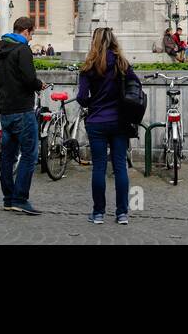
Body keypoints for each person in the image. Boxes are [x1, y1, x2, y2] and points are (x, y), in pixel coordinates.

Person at [76, 27, 140, 226]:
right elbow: (136, 87)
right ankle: (122, 214)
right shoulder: (122, 63)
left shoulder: (88, 67)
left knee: (99, 168)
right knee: (120, 167)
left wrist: (92, 105)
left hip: (97, 122)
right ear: (113, 41)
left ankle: (98, 214)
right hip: (119, 121)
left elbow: (81, 98)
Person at [0, 16, 44, 216]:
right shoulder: (22, 50)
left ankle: (8, 198)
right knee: (29, 154)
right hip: (23, 109)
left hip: (5, 109)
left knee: (8, 155)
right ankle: (20, 199)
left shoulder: (0, 50)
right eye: (31, 34)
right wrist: (39, 85)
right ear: (25, 31)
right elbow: (29, 78)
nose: (31, 39)